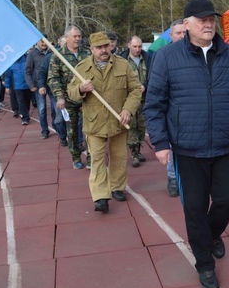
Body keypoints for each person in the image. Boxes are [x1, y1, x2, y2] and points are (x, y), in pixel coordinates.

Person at [143, 0, 229, 288]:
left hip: (223, 145)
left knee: (228, 200)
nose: (209, 24)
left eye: (212, 19)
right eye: (202, 19)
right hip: (187, 148)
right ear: (186, 24)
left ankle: (211, 234)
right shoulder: (167, 57)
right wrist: (160, 142)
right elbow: (154, 104)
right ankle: (205, 263)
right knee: (194, 208)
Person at [68, 31, 141, 213]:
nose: (103, 50)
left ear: (111, 46)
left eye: (106, 46)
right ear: (91, 49)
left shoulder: (123, 65)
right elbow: (71, 92)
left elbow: (135, 90)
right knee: (98, 160)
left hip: (118, 120)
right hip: (94, 123)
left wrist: (128, 109)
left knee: (119, 157)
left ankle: (117, 187)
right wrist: (80, 88)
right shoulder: (82, 68)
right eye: (99, 47)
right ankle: (100, 196)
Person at [147, 19, 186, 196]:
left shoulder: (197, 53)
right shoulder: (161, 54)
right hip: (170, 108)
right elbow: (154, 84)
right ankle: (172, 177)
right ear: (170, 35)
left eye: (184, 32)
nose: (182, 36)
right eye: (178, 33)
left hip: (189, 109)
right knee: (171, 142)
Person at [48, 26, 91, 169]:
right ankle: (76, 157)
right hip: (68, 100)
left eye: (79, 36)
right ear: (67, 38)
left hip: (87, 98)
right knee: (72, 130)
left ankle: (91, 157)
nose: (78, 39)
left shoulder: (87, 53)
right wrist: (59, 97)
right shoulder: (58, 56)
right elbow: (53, 78)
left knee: (90, 130)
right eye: (75, 36)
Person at [119, 36, 149, 167]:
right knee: (131, 125)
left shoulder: (147, 58)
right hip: (129, 98)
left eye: (140, 46)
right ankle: (134, 153)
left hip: (144, 97)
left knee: (142, 125)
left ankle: (139, 148)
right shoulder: (122, 60)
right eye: (135, 46)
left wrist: (145, 86)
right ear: (129, 45)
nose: (137, 49)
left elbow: (153, 74)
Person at [38, 36, 67, 147]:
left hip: (74, 92)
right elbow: (42, 73)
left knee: (77, 120)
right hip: (56, 93)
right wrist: (41, 86)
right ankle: (63, 136)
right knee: (59, 118)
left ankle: (78, 141)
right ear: (59, 43)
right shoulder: (50, 57)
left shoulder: (76, 56)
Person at [26, 37, 52, 138]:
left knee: (55, 109)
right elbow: (27, 71)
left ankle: (56, 125)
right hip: (39, 86)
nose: (44, 44)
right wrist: (31, 85)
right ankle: (45, 130)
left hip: (52, 85)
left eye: (46, 42)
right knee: (42, 109)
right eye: (42, 42)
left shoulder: (52, 53)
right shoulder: (32, 54)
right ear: (38, 42)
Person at [5, 53, 31, 125]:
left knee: (27, 101)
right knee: (21, 102)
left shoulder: (26, 60)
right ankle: (25, 117)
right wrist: (7, 86)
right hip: (17, 87)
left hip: (27, 85)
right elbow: (8, 76)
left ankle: (26, 113)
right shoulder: (11, 63)